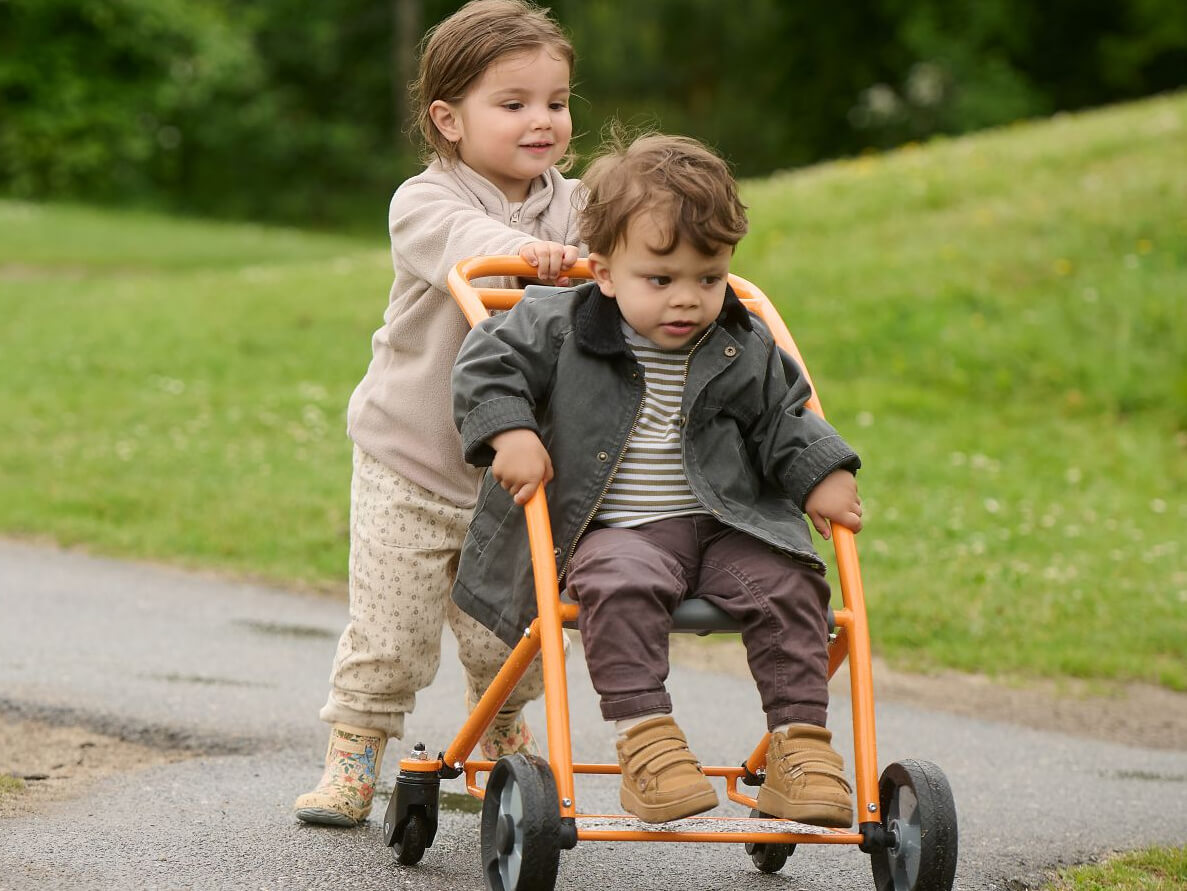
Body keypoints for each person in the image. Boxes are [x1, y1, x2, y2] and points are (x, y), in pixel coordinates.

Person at [450, 132, 864, 827]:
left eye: (709, 278)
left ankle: (799, 748)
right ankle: (647, 743)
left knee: (792, 583)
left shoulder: (742, 341)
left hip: (729, 525)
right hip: (615, 530)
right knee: (620, 582)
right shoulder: (558, 324)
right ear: (605, 273)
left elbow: (784, 418)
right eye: (661, 279)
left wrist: (821, 470)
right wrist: (510, 432)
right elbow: (485, 366)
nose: (688, 300)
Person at [294, 0, 585, 827]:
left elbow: (629, 247)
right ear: (448, 119)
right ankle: (354, 754)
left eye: (556, 102)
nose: (542, 120)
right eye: (514, 103)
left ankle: (500, 728)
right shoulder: (423, 201)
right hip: (411, 461)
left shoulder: (578, 206)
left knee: (511, 631)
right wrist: (535, 257)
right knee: (390, 632)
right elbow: (467, 246)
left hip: (519, 467)